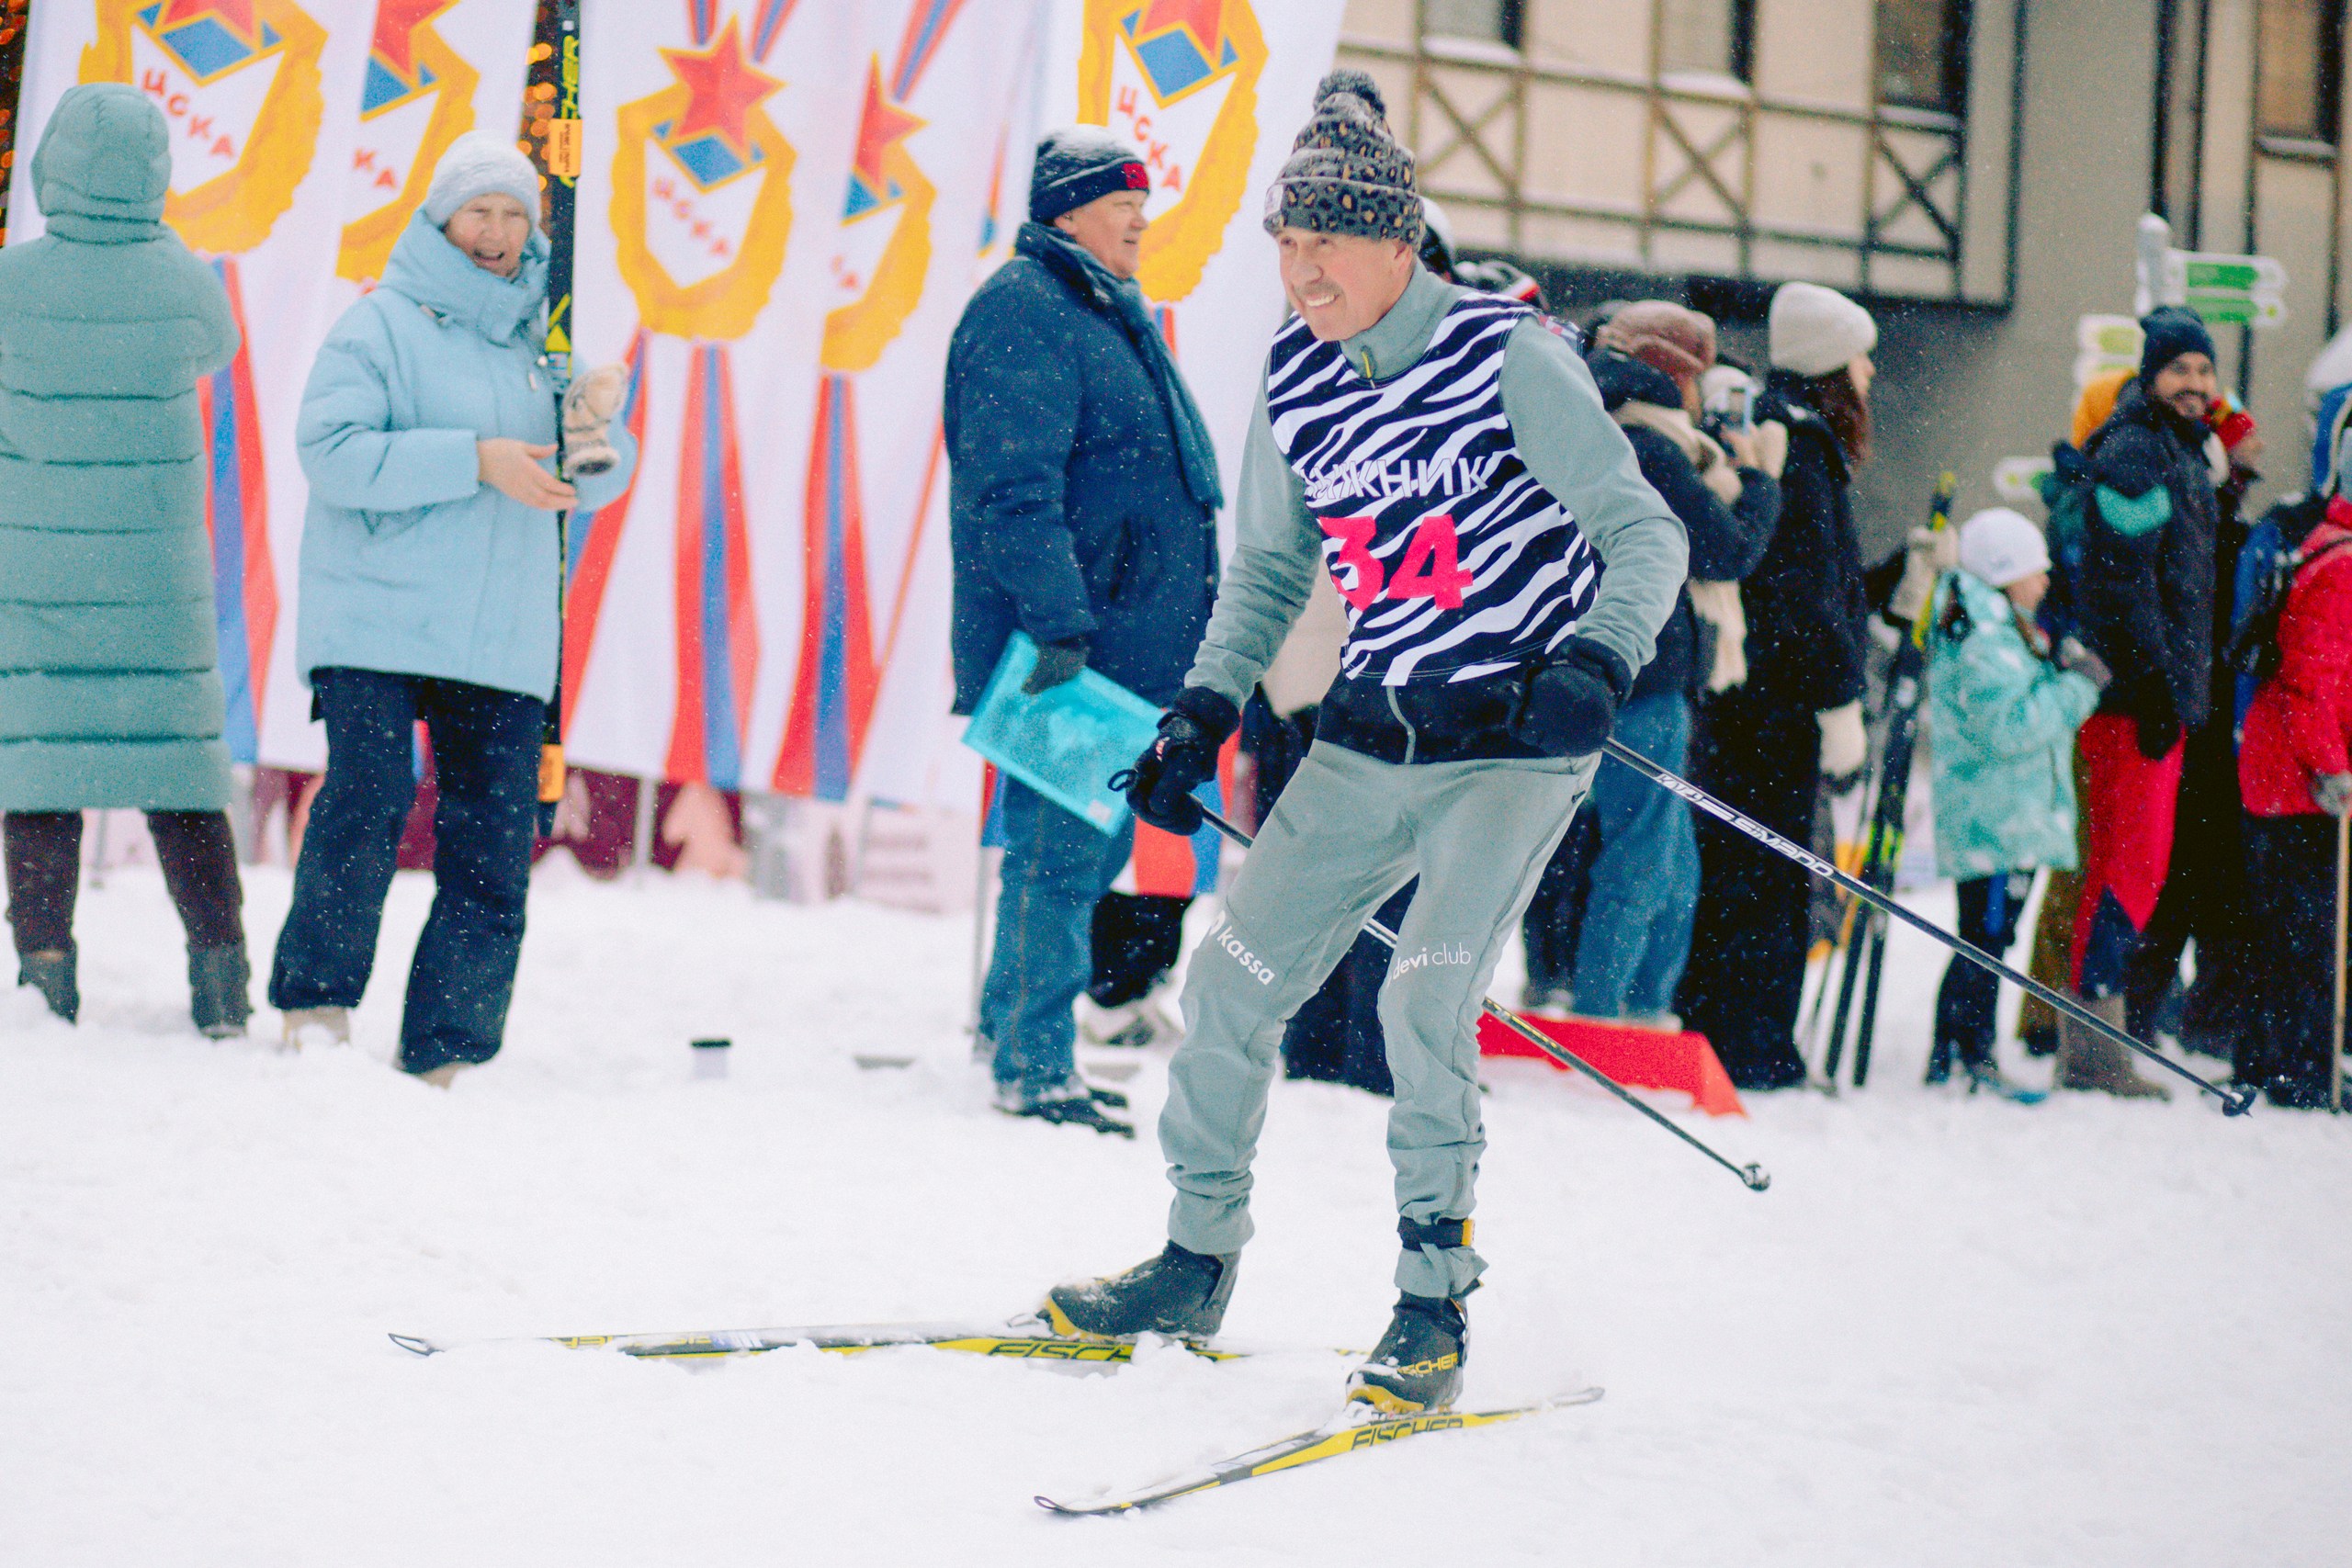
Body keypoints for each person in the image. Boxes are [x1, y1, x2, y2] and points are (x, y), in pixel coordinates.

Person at [1042, 73, 1685, 1415]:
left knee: (1421, 1000)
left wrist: (1597, 659)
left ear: (1401, 241)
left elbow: (1647, 531)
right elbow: (1272, 567)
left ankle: (1430, 1302)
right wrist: (1205, 705)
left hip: (1511, 747)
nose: (1301, 269)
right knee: (1231, 985)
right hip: (1367, 736)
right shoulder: (1296, 371)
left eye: (1326, 241)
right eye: (1284, 244)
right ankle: (1195, 1257)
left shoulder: (1509, 355)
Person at [266, 131, 638, 1085]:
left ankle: (446, 1049)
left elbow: (591, 482)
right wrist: (474, 460)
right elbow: (332, 454)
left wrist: (596, 432)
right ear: (439, 218)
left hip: (502, 635)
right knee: (369, 802)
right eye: (479, 211)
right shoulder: (377, 325)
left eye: (515, 215)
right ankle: (316, 1005)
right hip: (378, 620)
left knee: (492, 839)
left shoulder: (544, 344)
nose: (498, 232)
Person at [944, 128, 1225, 1134]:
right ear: (1066, 212)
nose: (1142, 219)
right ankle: (1032, 1064)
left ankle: (1016, 1034)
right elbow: (1009, 489)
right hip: (1075, 647)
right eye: (1122, 203)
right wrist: (1060, 621)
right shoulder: (1026, 307)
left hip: (1124, 646)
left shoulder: (1097, 307)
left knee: (1085, 854)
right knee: (1059, 858)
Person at [0, 84, 250, 1037]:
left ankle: (46, 978)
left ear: (54, 163)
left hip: (38, 574)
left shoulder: (11, 285)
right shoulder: (184, 282)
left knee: (41, 770)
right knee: (177, 774)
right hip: (154, 579)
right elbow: (218, 345)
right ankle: (221, 980)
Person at [1519, 300, 1781, 1023]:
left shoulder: (1592, 426)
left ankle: (1621, 997)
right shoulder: (1653, 447)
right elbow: (1727, 550)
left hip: (1593, 668)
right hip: (1644, 671)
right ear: (1677, 377)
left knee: (1652, 853)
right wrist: (1760, 482)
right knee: (1643, 855)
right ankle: (1614, 1010)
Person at [1677, 281, 1877, 1090]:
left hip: (1743, 698)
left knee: (1734, 866)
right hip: (1781, 707)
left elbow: (1815, 584)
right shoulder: (1807, 448)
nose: (1870, 377)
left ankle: (1725, 1025)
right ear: (1833, 365)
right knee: (1770, 874)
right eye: (1862, 360)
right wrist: (1838, 700)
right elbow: (1806, 595)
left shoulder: (1773, 430)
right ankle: (1755, 1041)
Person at [2060, 307, 2224, 1099]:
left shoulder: (2181, 450)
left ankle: (2102, 1040)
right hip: (2135, 702)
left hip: (2158, 697)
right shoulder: (2136, 452)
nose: (2195, 385)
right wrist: (2158, 685)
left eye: (2204, 370)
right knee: (2128, 867)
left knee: (2140, 867)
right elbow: (2123, 585)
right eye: (2180, 370)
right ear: (2152, 375)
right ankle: (2093, 1049)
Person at [1923, 508, 2108, 1097]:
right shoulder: (1985, 639)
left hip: (2004, 820)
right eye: (2035, 569)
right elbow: (2007, 729)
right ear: (2005, 573)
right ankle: (1969, 1053)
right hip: (1996, 824)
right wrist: (2078, 686)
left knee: (1985, 936)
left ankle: (1957, 1049)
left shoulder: (1999, 628)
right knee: (1986, 937)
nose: (2047, 579)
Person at [2236, 462, 2352, 1108]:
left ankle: (2278, 1059)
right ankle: (2298, 1068)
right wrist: (2332, 767)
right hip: (2296, 776)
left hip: (2282, 767)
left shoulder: (2325, 546)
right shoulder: (2342, 566)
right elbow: (2313, 681)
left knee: (2287, 928)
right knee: (2305, 934)